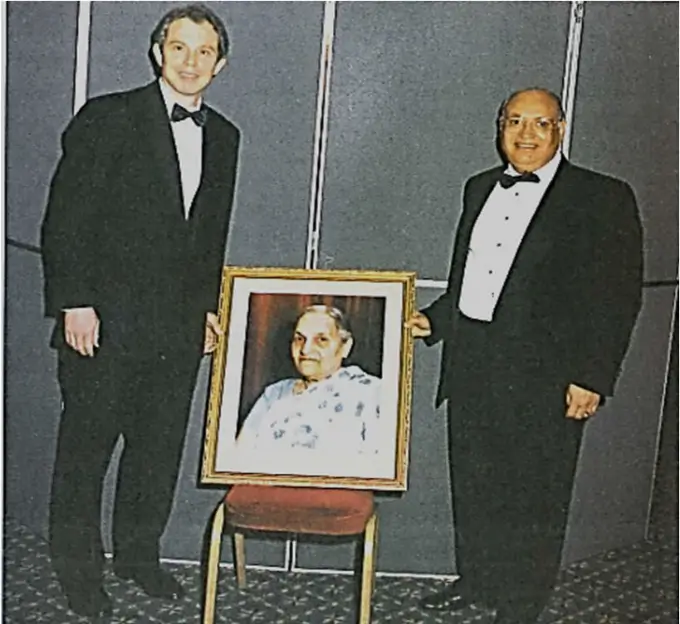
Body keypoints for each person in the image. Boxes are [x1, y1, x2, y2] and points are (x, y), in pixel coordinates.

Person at [407, 88, 643, 624]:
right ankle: (478, 580)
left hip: (548, 376)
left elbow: (617, 296)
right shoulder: (478, 188)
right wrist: (434, 320)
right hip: (473, 363)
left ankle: (521, 602)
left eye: (540, 123)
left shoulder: (603, 196)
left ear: (561, 129)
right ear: (500, 127)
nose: (526, 134)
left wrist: (592, 376)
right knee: (475, 484)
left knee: (536, 495)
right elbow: (473, 280)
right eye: (515, 121)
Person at [40, 5, 240, 618]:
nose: (190, 62)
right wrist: (75, 302)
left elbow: (208, 237)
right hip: (102, 322)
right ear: (158, 52)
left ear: (220, 64)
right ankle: (78, 573)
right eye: (179, 47)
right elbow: (66, 216)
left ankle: (137, 555)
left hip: (176, 328)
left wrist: (207, 310)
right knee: (85, 453)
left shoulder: (225, 136)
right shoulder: (108, 117)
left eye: (204, 52)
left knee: (156, 453)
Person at [235, 305, 382, 471]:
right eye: (299, 339)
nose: (305, 349)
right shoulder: (275, 393)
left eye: (321, 340)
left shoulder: (371, 392)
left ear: (345, 346)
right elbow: (239, 457)